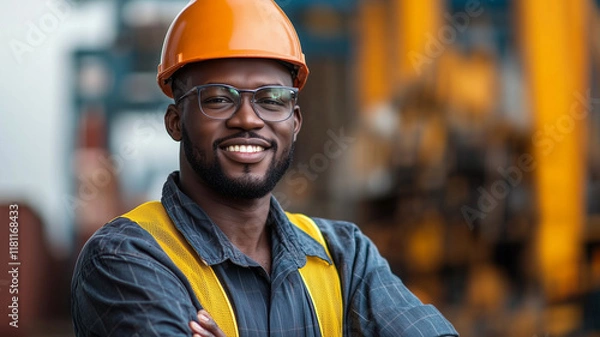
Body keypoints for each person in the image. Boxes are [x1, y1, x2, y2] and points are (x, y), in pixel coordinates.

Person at [71, 0, 460, 336]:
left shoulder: (344, 256)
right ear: (175, 121)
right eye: (219, 98)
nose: (248, 119)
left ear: (295, 122)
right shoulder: (127, 260)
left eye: (272, 99)